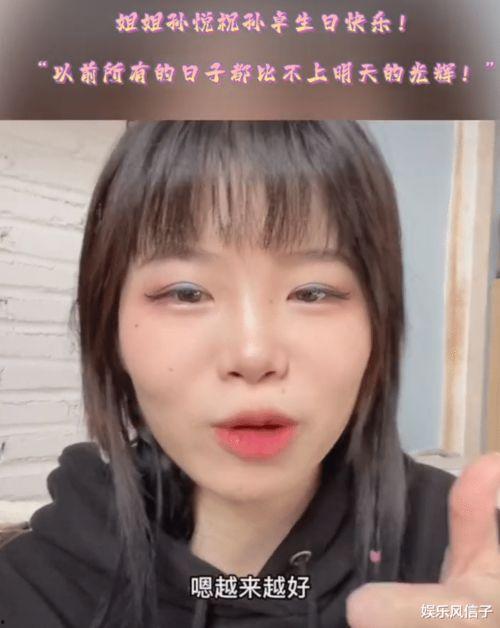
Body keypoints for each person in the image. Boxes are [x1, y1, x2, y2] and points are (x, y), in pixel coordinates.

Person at [0, 121, 498, 628]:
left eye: (312, 292)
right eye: (187, 293)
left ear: (378, 326)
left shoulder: (463, 558)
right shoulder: (33, 592)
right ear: (111, 330)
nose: (254, 354)